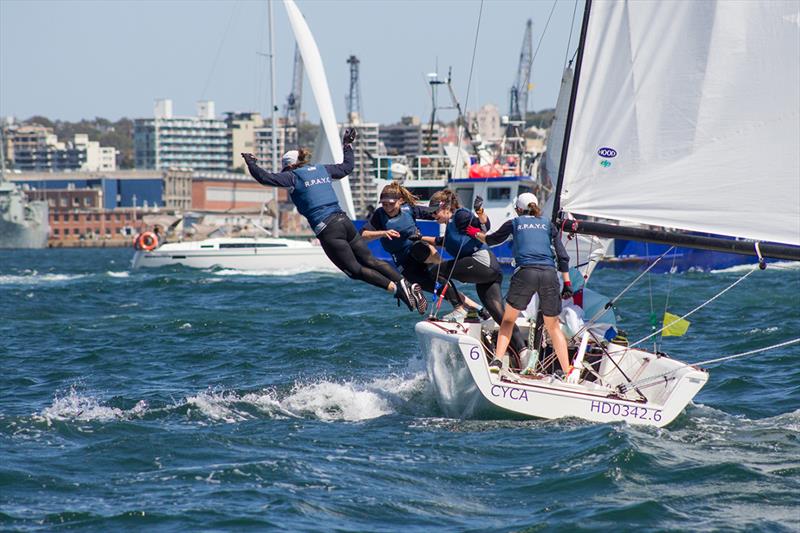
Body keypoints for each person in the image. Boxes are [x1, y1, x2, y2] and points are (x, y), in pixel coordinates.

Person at [241, 128, 426, 314]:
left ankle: (398, 291)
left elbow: (265, 178)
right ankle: (406, 284)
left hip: (328, 228)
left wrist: (251, 164)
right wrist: (347, 145)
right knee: (369, 259)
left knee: (354, 270)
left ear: (289, 166)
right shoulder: (322, 169)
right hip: (344, 221)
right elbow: (347, 167)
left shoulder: (292, 176)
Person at [473, 192, 576, 379]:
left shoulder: (514, 223)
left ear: (518, 209)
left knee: (508, 321)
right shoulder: (547, 224)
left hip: (526, 273)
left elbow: (491, 240)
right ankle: (567, 371)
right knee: (553, 327)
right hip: (549, 274)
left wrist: (473, 233)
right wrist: (567, 283)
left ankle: (496, 362)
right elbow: (562, 255)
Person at [421, 189, 528, 363]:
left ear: (446, 207)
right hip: (488, 271)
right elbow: (441, 242)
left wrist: (480, 211)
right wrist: (419, 238)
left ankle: (460, 309)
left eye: (435, 212)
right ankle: (523, 352)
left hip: (483, 264)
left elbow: (484, 227)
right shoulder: (450, 227)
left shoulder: (461, 216)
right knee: (498, 314)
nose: (433, 216)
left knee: (437, 271)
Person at [359, 182, 488, 321]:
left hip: (420, 251)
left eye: (391, 203)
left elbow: (438, 214)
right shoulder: (379, 215)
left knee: (420, 252)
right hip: (405, 264)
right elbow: (362, 234)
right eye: (384, 204)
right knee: (440, 289)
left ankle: (441, 267)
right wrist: (383, 233)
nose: (387, 207)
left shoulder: (409, 209)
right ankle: (479, 310)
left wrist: (460, 218)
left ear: (400, 201)